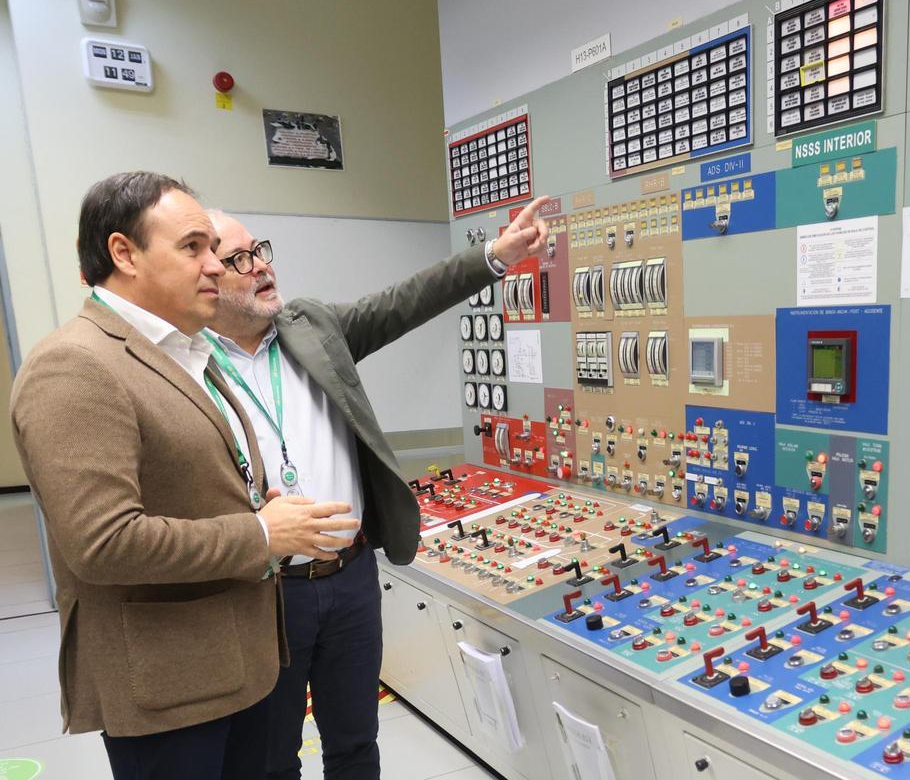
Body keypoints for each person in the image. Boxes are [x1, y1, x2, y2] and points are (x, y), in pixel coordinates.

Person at [9, 171, 362, 780]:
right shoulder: (74, 365)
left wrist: (256, 503)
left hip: (239, 663)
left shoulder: (185, 352)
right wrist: (259, 535)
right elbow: (104, 542)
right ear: (124, 253)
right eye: (193, 248)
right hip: (170, 688)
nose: (217, 266)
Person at [203, 196, 551, 779]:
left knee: (357, 744)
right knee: (270, 759)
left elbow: (403, 303)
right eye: (240, 259)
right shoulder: (186, 365)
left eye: (261, 250)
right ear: (205, 279)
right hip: (266, 592)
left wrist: (496, 254)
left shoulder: (309, 325)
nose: (262, 266)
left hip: (352, 577)